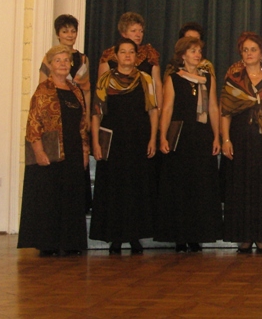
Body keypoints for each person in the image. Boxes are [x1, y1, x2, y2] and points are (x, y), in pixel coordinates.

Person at [18, 45, 90, 256]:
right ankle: (48, 244)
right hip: (51, 152)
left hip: (73, 150)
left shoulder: (76, 90)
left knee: (71, 196)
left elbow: (82, 124)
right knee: (50, 199)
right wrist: (39, 151)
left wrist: (85, 151)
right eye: (58, 60)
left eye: (66, 60)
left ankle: (70, 243)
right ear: (50, 65)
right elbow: (33, 123)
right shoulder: (43, 90)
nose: (62, 64)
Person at [89, 38, 159, 255]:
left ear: (136, 56)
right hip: (113, 144)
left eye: (131, 52)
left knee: (136, 189)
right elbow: (96, 114)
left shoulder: (145, 79)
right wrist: (95, 143)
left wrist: (153, 139)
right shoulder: (105, 80)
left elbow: (153, 111)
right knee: (114, 189)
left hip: (138, 141)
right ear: (116, 56)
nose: (127, 55)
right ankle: (115, 237)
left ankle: (135, 236)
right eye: (123, 52)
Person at [220, 32, 262, 254]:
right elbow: (225, 112)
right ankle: (244, 237)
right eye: (245, 50)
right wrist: (225, 139)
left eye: (253, 50)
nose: (249, 54)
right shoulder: (234, 79)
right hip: (240, 140)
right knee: (242, 188)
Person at [156, 36, 222, 252]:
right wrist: (163, 136)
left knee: (200, 187)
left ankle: (197, 235)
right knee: (180, 187)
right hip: (181, 138)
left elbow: (213, 108)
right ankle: (180, 236)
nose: (197, 54)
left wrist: (217, 136)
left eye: (199, 51)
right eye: (192, 51)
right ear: (183, 55)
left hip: (202, 137)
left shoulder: (208, 78)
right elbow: (167, 109)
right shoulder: (173, 79)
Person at [38, 14, 93, 213]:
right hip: (56, 116)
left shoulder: (83, 58)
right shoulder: (49, 57)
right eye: (65, 31)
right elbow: (42, 86)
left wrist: (86, 115)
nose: (70, 35)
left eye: (73, 31)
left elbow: (86, 90)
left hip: (75, 115)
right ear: (58, 34)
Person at [99, 12, 162, 106]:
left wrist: (159, 109)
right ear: (123, 33)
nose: (138, 35)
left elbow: (157, 85)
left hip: (143, 107)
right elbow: (101, 87)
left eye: (141, 31)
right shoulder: (109, 56)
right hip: (115, 107)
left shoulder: (150, 55)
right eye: (133, 31)